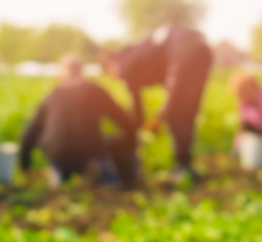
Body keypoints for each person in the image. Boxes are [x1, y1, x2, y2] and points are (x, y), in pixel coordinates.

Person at [101, 25, 213, 181]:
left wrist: (156, 120)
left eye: (110, 74)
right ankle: (186, 167)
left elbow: (138, 110)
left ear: (111, 64)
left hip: (182, 50)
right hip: (203, 50)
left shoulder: (124, 65)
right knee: (187, 110)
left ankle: (183, 168)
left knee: (175, 112)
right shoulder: (136, 54)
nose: (115, 78)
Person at [20, 54, 139, 187]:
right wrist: (131, 143)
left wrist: (26, 168)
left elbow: (29, 135)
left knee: (53, 148)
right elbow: (125, 122)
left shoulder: (52, 95)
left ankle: (58, 175)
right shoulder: (95, 90)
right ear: (82, 72)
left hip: (58, 154)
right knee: (116, 144)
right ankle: (121, 179)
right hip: (90, 153)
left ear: (62, 74)